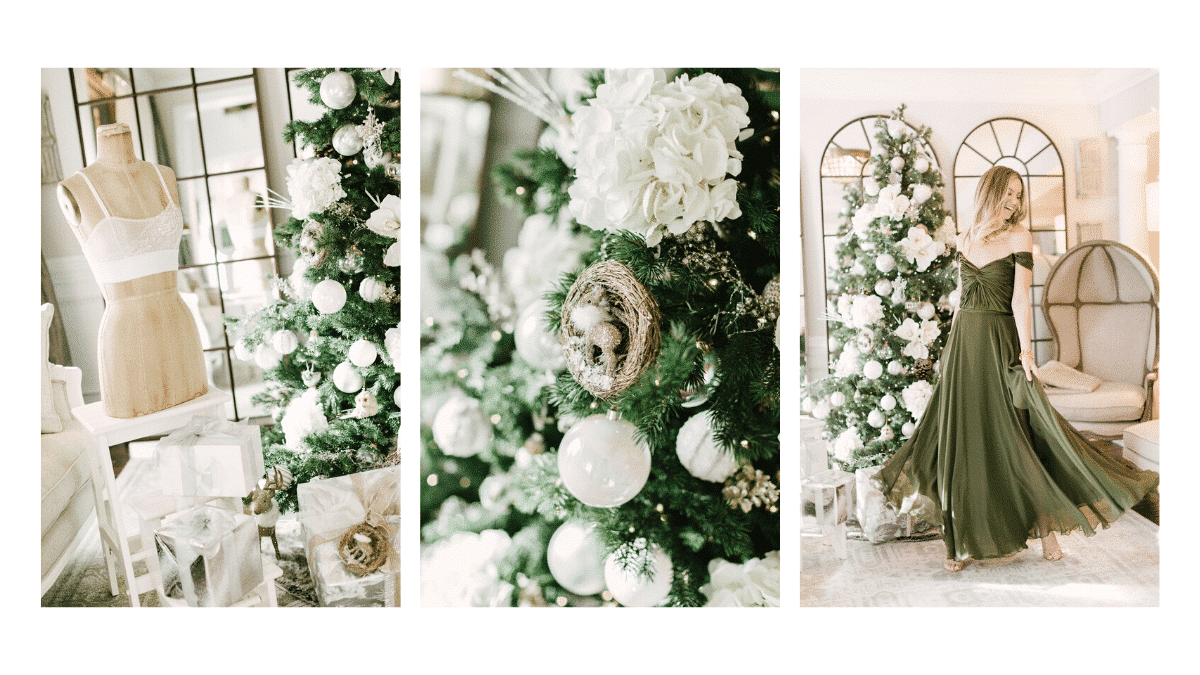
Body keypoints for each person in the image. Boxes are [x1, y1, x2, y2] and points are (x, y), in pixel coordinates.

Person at [876, 165, 1157, 572]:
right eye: (1007, 193)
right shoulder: (967, 236)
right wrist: (948, 353)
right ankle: (955, 545)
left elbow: (1020, 300)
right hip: (963, 348)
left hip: (1000, 343)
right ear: (990, 192)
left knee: (1020, 436)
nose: (1013, 202)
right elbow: (960, 300)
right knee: (961, 442)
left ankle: (1047, 532)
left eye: (1018, 194)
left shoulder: (1020, 236)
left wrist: (1026, 353)